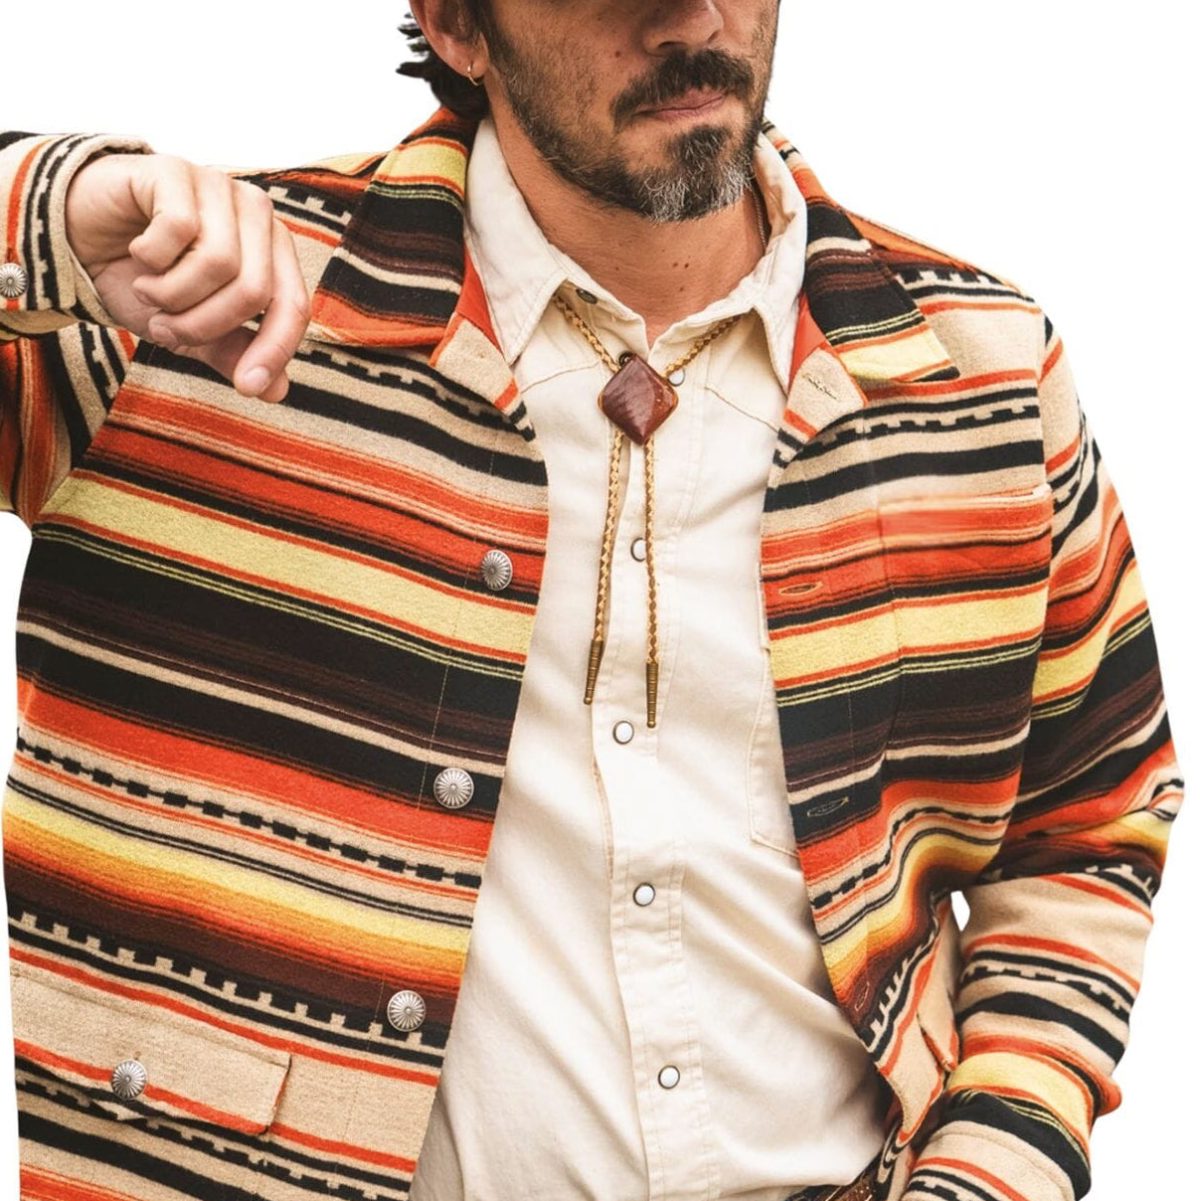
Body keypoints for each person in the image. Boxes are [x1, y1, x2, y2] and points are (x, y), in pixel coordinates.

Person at [0, 3, 1184, 1201]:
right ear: (455, 25)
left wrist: (991, 1172)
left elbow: (1090, 825)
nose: (693, 19)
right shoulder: (186, 310)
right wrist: (47, 207)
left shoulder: (982, 377)